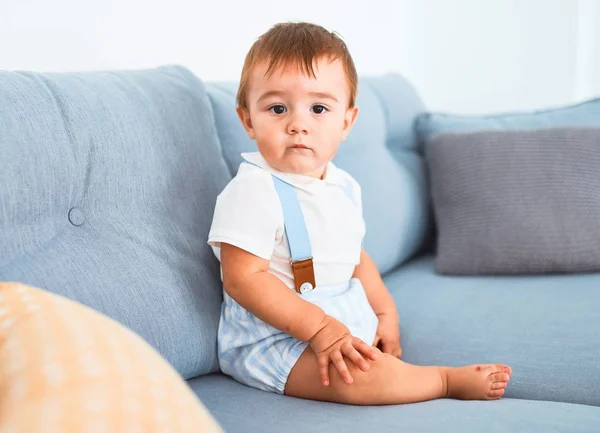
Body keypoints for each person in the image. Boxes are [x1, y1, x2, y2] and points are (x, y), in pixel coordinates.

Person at [208, 21, 511, 405]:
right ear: (249, 120)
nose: (298, 124)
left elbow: (355, 258)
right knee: (359, 377)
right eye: (277, 108)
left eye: (318, 108)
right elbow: (244, 279)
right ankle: (442, 382)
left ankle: (395, 368)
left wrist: (385, 314)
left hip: (335, 319)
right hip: (272, 339)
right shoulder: (253, 190)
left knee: (363, 360)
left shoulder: (343, 187)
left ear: (346, 122)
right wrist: (319, 329)